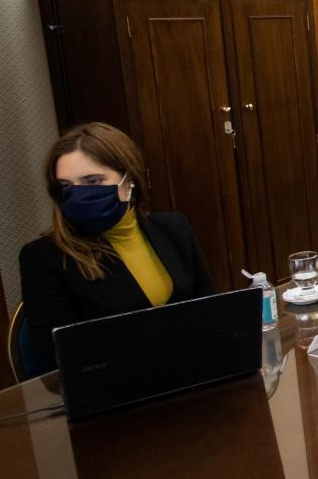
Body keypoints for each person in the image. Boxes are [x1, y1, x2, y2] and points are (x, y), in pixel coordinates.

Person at [19, 123, 214, 373]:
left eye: (93, 181)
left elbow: (210, 313)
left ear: (129, 179)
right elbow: (60, 359)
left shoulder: (174, 227)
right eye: (67, 186)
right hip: (113, 391)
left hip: (192, 372)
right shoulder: (44, 258)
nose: (79, 195)